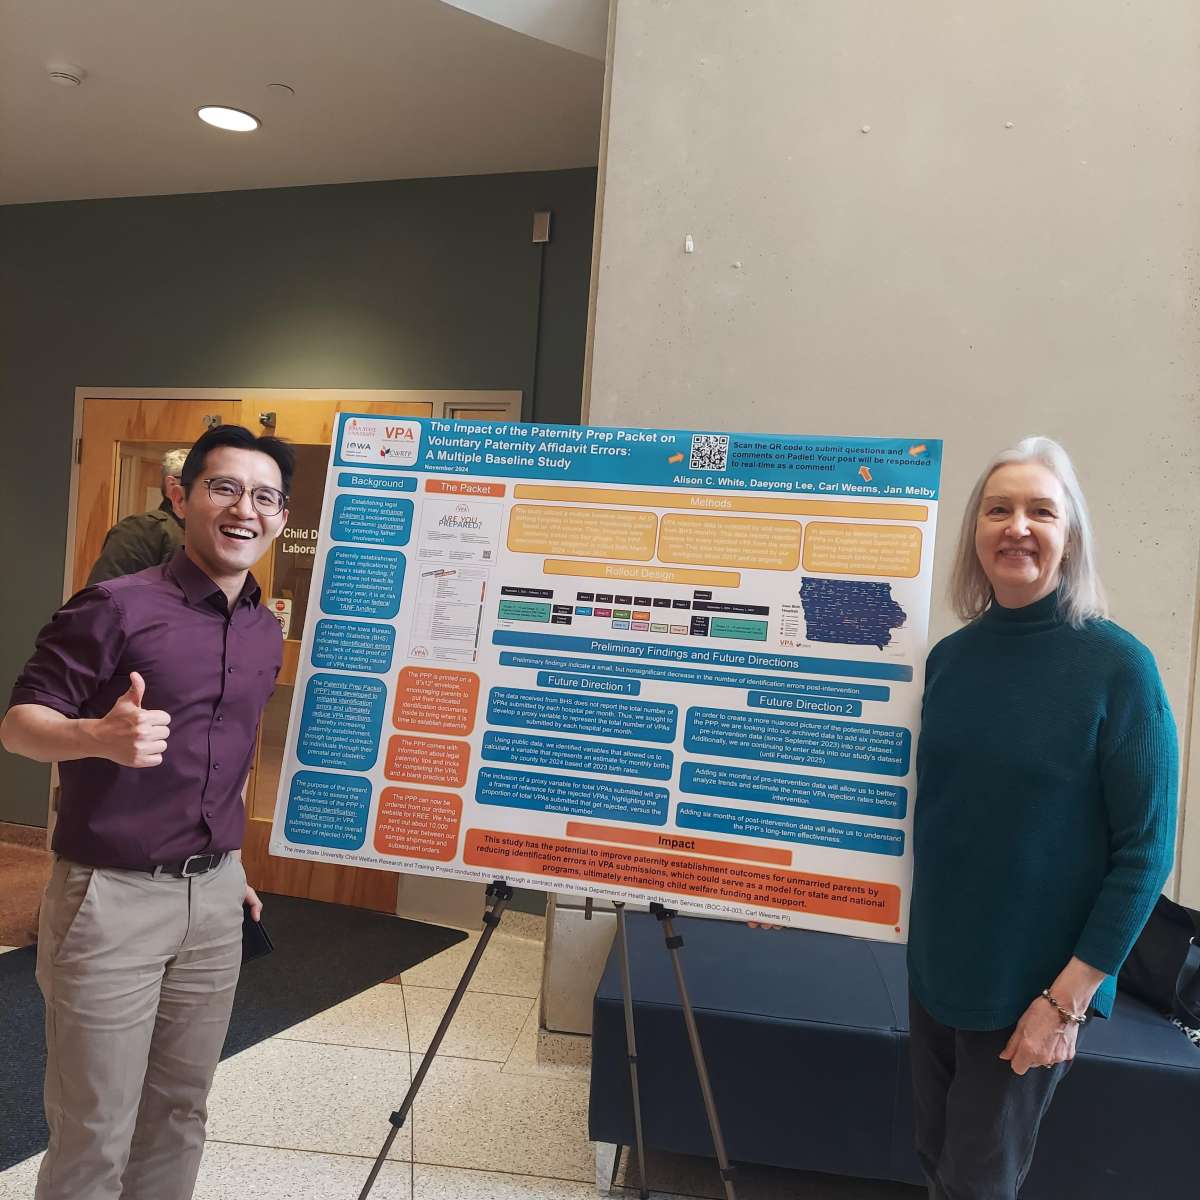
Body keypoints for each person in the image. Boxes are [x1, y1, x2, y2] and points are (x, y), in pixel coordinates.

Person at [1, 424, 294, 1200]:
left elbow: (224, 762)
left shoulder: (264, 629)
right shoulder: (113, 608)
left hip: (214, 901)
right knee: (95, 1129)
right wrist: (95, 735)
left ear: (281, 518)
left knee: (181, 1111)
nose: (244, 509)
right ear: (183, 495)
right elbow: (19, 725)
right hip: (110, 897)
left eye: (265, 497)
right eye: (224, 487)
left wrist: (231, 866)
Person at [907, 435, 1177, 1199]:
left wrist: (1066, 1003)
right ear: (975, 534)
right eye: (998, 509)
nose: (1016, 526)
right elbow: (928, 811)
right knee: (934, 1158)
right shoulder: (951, 661)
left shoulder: (1118, 668)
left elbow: (1145, 852)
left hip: (1033, 989)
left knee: (977, 1183)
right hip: (936, 971)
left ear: (1071, 535)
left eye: (1040, 510)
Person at [87, 447, 189, 584]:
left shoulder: (205, 535)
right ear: (172, 485)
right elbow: (103, 599)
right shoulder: (142, 530)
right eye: (202, 483)